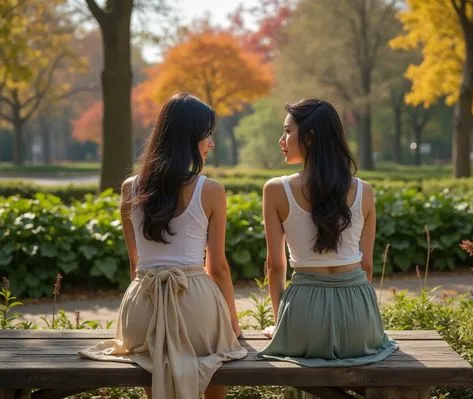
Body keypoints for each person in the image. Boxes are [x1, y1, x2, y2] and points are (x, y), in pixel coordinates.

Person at [79, 93, 247, 398]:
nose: (211, 143)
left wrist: (150, 310)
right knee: (219, 355)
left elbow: (136, 264)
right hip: (194, 300)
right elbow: (218, 267)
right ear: (190, 137)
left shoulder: (131, 188)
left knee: (151, 362)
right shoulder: (211, 191)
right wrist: (232, 325)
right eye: (207, 134)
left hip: (143, 304)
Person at [257, 98, 398, 366]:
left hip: (302, 320)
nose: (281, 139)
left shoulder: (276, 190)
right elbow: (366, 264)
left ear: (309, 138)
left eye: (287, 131)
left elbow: (275, 265)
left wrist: (281, 326)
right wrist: (362, 319)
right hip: (359, 320)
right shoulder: (365, 191)